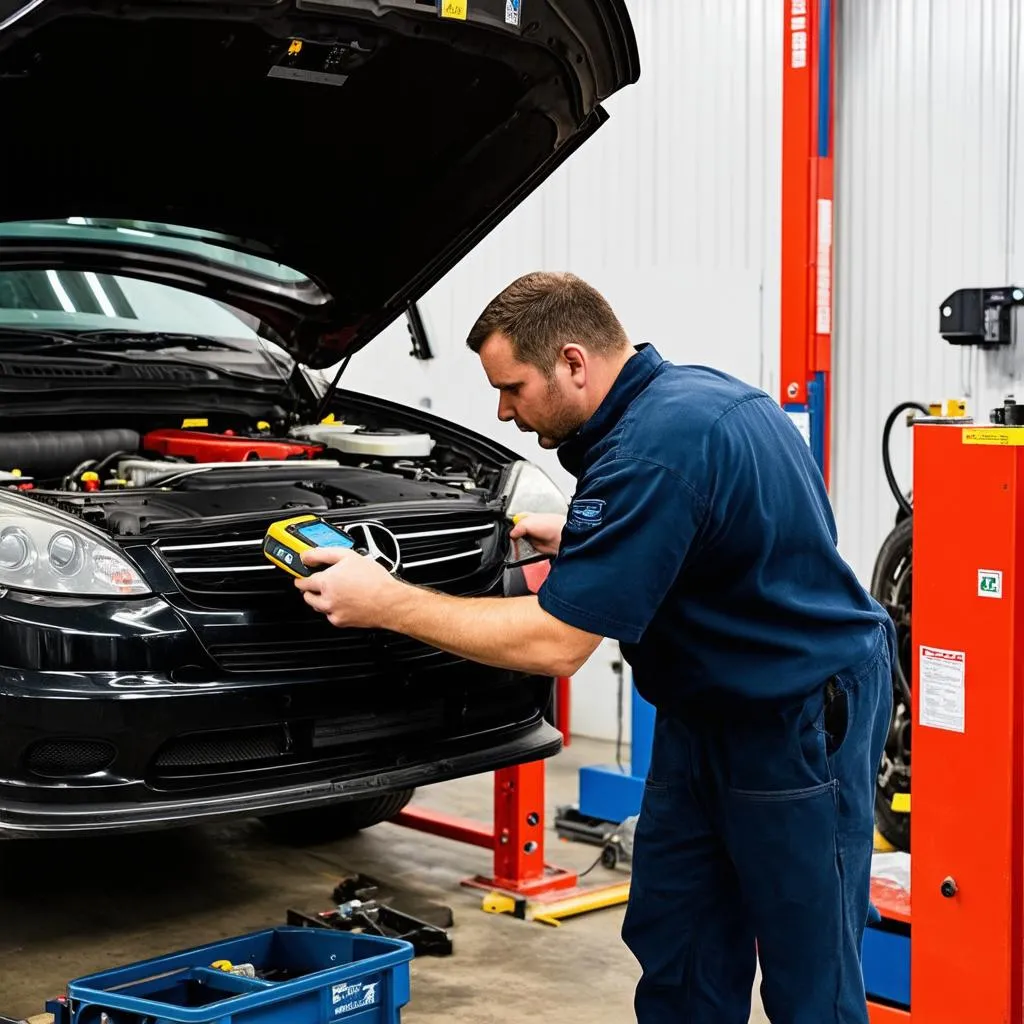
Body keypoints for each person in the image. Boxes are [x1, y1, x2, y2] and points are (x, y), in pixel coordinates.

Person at [295, 271, 896, 1024]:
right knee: (679, 947)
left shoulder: (654, 451)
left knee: (812, 980)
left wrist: (385, 602)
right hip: (705, 710)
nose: (502, 410)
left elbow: (555, 645)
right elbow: (709, 530)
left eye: (511, 387)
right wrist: (593, 536)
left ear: (574, 363)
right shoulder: (692, 400)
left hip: (794, 717)